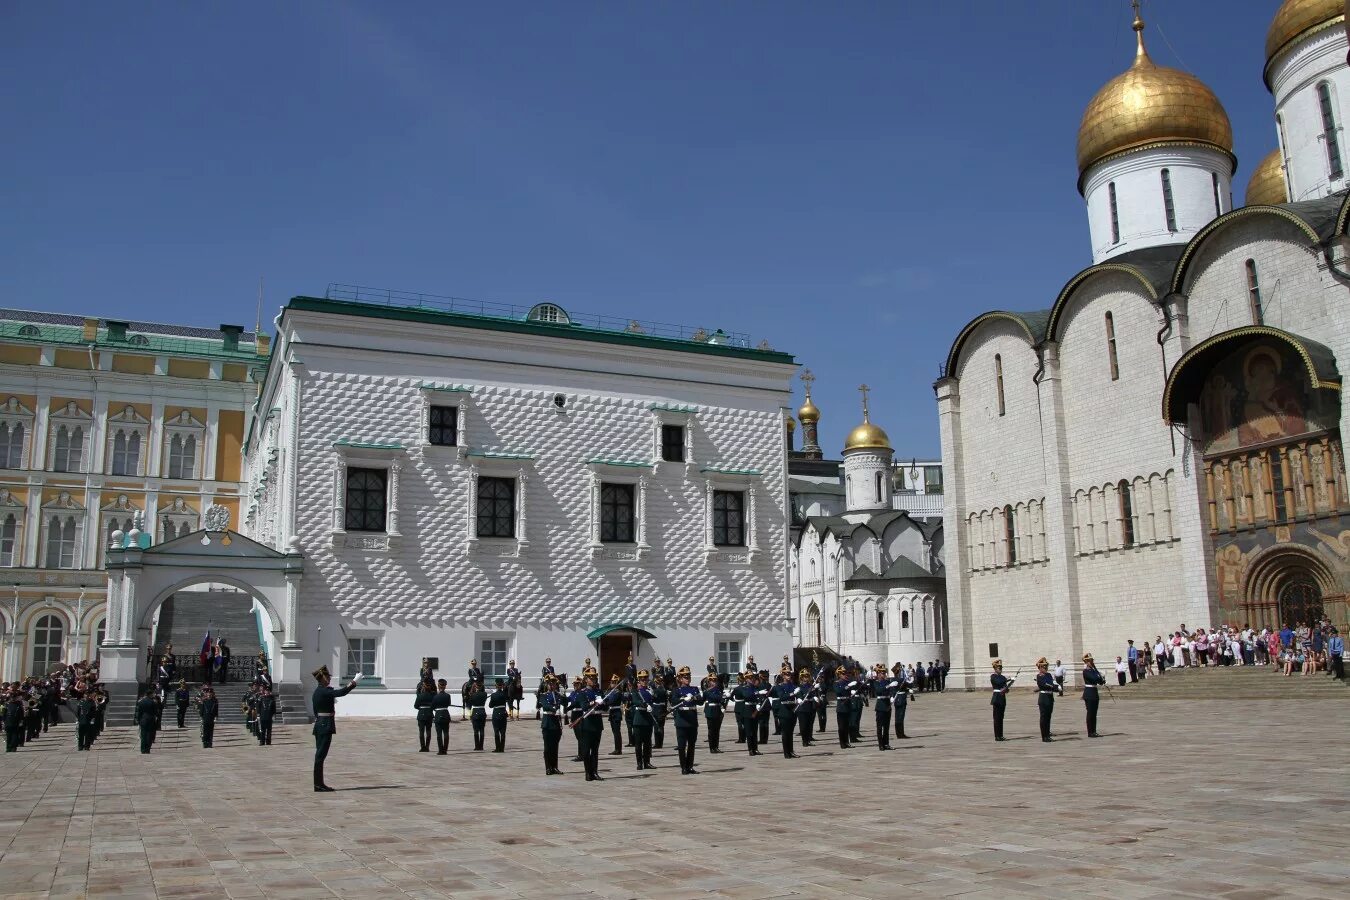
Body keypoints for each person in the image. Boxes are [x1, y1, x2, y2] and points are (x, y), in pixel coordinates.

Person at [310, 665, 362, 792]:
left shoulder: (319, 691)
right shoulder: (323, 691)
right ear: (322, 679)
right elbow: (341, 692)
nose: (329, 679)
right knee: (320, 756)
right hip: (325, 725)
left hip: (321, 724)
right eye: (327, 677)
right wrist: (354, 682)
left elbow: (316, 711)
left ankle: (319, 783)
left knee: (320, 756)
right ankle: (318, 784)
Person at [671, 666, 701, 774]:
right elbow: (673, 701)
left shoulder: (694, 689)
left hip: (692, 720)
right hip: (682, 720)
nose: (687, 678)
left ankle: (690, 766)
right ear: (680, 678)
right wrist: (682, 698)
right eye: (684, 676)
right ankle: (683, 767)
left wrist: (694, 697)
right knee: (682, 746)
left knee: (692, 745)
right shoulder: (676, 690)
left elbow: (701, 701)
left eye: (688, 676)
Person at [539, 674, 565, 774]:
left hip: (556, 723)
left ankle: (555, 767)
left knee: (555, 746)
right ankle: (548, 767)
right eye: (550, 684)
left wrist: (564, 694)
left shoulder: (558, 695)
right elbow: (545, 706)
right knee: (547, 747)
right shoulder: (543, 695)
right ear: (547, 684)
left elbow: (565, 703)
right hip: (547, 723)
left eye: (553, 683)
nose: (552, 685)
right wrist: (554, 709)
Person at [630, 670, 656, 771]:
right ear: (639, 680)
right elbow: (636, 701)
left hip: (648, 719)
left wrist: (652, 705)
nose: (644, 681)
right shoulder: (635, 691)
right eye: (642, 679)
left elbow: (654, 700)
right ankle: (639, 763)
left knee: (647, 743)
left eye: (645, 679)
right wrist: (645, 705)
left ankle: (647, 762)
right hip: (639, 719)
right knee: (638, 743)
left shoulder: (650, 690)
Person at [1034, 657, 1061, 742]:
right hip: (1043, 698)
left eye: (1046, 666)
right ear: (1040, 668)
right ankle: (1044, 736)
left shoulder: (1049, 675)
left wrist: (1058, 688)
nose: (1046, 668)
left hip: (1050, 697)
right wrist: (1053, 686)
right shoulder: (1039, 676)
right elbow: (1044, 685)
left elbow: (1052, 684)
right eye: (1044, 667)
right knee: (1043, 717)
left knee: (1048, 717)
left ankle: (1047, 734)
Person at [1081, 653, 1106, 738]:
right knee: (1090, 713)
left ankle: (1094, 731)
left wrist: (1102, 679)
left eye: (1092, 660)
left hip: (1094, 692)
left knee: (1094, 713)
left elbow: (1100, 682)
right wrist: (1099, 677)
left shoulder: (1094, 670)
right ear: (1086, 662)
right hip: (1089, 693)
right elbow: (1094, 679)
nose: (1092, 662)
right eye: (1090, 661)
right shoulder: (1086, 671)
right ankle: (1090, 732)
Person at [702, 673, 725, 753]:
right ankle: (712, 748)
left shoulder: (718, 690)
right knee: (711, 730)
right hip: (710, 711)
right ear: (709, 681)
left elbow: (721, 700)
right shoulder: (707, 691)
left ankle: (716, 747)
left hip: (717, 710)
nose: (714, 681)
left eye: (715, 680)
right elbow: (714, 698)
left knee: (717, 730)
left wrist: (725, 698)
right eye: (712, 680)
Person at [603, 674, 624, 756]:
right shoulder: (611, 692)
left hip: (616, 712)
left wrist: (604, 701)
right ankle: (617, 748)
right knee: (614, 732)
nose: (611, 684)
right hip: (612, 713)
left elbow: (611, 701)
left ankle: (618, 749)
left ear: (616, 683)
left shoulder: (617, 692)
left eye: (613, 682)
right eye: (611, 682)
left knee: (616, 732)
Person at [794, 669, 817, 746]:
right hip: (802, 708)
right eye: (804, 676)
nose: (806, 678)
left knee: (809, 725)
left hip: (810, 706)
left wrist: (815, 696)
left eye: (807, 676)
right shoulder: (799, 686)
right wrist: (799, 698)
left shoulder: (811, 686)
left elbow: (814, 694)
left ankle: (808, 740)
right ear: (801, 677)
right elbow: (798, 695)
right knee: (803, 726)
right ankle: (804, 741)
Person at [488, 677, 509, 752]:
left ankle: (498, 748)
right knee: (503, 732)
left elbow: (490, 706)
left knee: (496, 731)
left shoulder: (493, 695)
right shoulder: (505, 694)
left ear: (496, 685)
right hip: (503, 713)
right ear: (502, 685)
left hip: (496, 713)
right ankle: (502, 748)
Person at [466, 677, 487, 751]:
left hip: (475, 713)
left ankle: (476, 746)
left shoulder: (472, 695)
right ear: (481, 686)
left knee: (475, 730)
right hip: (482, 712)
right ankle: (481, 746)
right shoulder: (485, 694)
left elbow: (468, 707)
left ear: (476, 686)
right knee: (482, 730)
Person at [432, 679, 453, 754]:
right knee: (446, 733)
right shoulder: (448, 696)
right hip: (445, 714)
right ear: (445, 686)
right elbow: (448, 704)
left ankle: (440, 750)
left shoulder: (435, 697)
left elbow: (433, 706)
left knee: (439, 734)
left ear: (438, 686)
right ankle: (445, 750)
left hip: (438, 714)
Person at [135, 685, 157, 754]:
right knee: (149, 735)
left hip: (143, 719)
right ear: (150, 694)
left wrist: (139, 720)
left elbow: (139, 712)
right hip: (150, 719)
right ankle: (147, 749)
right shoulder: (152, 702)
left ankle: (142, 749)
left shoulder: (141, 702)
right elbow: (155, 712)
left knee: (143, 734)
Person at [414, 682, 435, 752]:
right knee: (428, 731)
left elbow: (415, 706)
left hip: (421, 714)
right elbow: (434, 706)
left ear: (423, 687)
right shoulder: (432, 696)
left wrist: (421, 708)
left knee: (421, 732)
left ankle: (423, 747)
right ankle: (427, 747)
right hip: (429, 714)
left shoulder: (420, 696)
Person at [649, 673, 668, 749]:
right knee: (661, 726)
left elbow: (653, 698)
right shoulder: (664, 689)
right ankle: (660, 743)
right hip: (663, 708)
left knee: (657, 727)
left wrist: (651, 692)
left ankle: (658, 744)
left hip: (657, 708)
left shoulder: (658, 690)